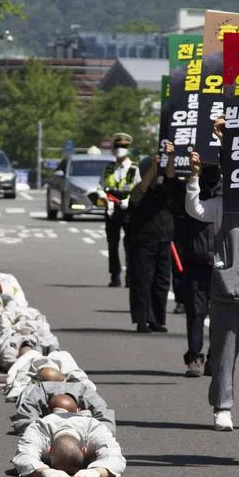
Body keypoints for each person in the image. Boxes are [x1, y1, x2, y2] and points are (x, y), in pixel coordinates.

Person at [186, 145, 239, 432]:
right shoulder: (220, 203)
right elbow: (195, 209)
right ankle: (222, 407)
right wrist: (194, 176)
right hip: (228, 285)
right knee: (225, 351)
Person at [125, 143, 180, 333]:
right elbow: (140, 191)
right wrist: (154, 166)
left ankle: (156, 319)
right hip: (142, 241)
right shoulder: (138, 189)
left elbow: (171, 178)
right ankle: (141, 320)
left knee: (161, 282)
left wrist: (170, 158)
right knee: (142, 282)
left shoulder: (164, 189)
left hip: (164, 240)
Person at [170, 160, 213, 377]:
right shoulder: (189, 195)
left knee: (220, 315)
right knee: (196, 313)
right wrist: (192, 176)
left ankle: (215, 357)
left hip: (222, 264)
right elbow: (171, 185)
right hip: (195, 263)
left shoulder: (227, 195)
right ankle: (195, 357)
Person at [12, 412, 125, 477]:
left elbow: (115, 457)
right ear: (84, 450)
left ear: (49, 450)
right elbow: (23, 456)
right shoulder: (38, 428)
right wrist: (44, 471)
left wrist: (97, 472)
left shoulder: (95, 428)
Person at [98, 133, 139, 287]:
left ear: (129, 148)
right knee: (112, 243)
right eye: (118, 146)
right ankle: (115, 276)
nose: (120, 149)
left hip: (129, 208)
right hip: (111, 208)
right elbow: (100, 186)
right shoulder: (108, 168)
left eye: (124, 146)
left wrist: (128, 201)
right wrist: (103, 196)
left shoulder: (135, 169)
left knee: (130, 243)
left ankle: (130, 276)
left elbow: (140, 189)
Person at [11, 377, 115, 434]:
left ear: (78, 410)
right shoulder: (36, 394)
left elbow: (108, 426)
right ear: (47, 411)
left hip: (72, 383)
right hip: (38, 383)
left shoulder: (89, 396)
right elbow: (23, 422)